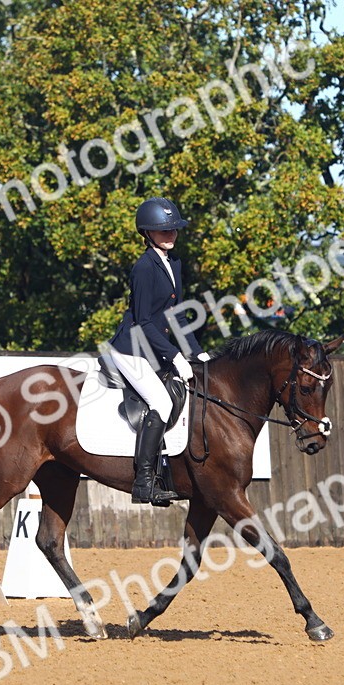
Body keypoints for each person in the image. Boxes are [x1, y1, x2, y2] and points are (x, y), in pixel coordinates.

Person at [106, 197, 211, 506]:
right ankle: (144, 482)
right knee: (162, 402)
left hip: (154, 348)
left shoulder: (174, 263)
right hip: (132, 349)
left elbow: (175, 316)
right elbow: (144, 322)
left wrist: (196, 352)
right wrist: (175, 356)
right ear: (147, 233)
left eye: (174, 229)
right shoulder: (143, 268)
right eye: (163, 231)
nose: (170, 235)